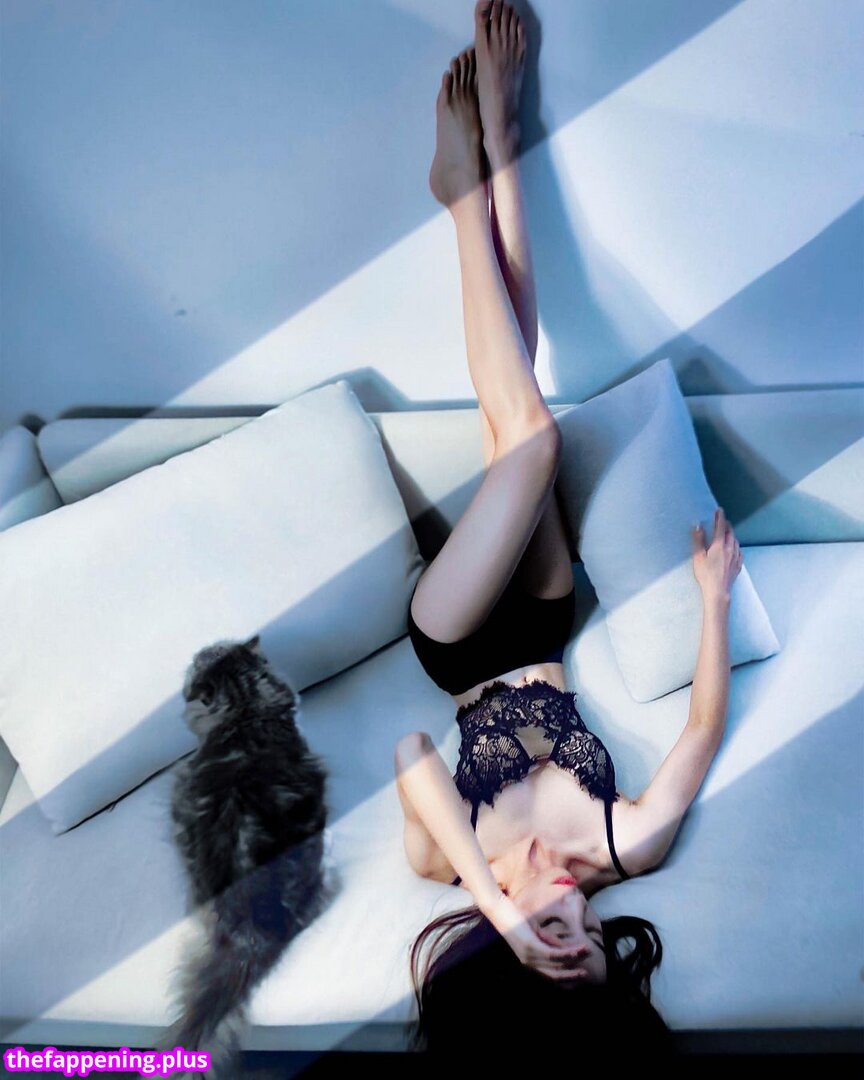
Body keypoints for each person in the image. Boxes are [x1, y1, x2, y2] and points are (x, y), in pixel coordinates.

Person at [394, 0, 742, 1053]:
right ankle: (500, 147)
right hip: (543, 619)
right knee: (522, 408)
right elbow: (699, 735)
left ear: (509, 953)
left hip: (457, 638)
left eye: (550, 943)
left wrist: (496, 907)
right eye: (589, 946)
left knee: (532, 437)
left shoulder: (451, 862)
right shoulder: (629, 846)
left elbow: (412, 751)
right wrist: (713, 605)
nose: (571, 924)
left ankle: (462, 194)